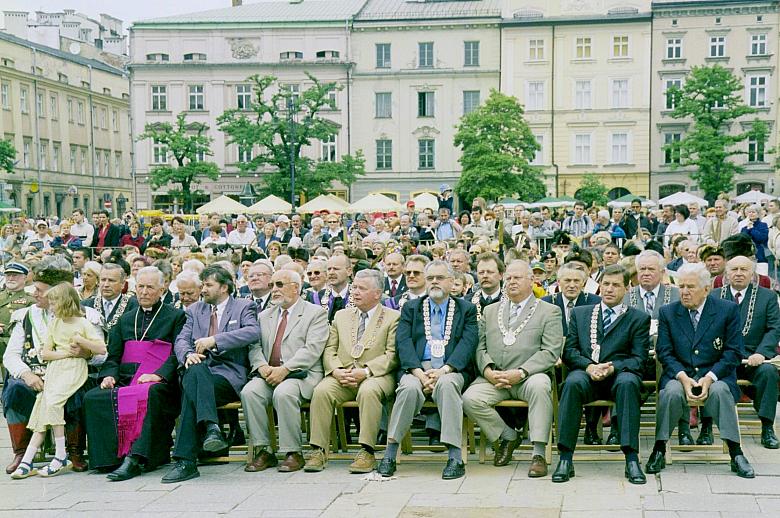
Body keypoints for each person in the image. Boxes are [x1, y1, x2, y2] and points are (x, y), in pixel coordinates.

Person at [646, 263, 754, 479]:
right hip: (680, 373)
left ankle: (736, 452)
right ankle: (659, 448)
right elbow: (664, 352)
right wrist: (683, 377)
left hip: (716, 374)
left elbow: (733, 352)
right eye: (681, 286)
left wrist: (709, 377)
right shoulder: (668, 312)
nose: (684, 292)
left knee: (721, 392)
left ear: (706, 289)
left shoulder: (727, 310)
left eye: (690, 287)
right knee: (671, 392)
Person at [84, 266, 187, 480]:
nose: (144, 292)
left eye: (150, 287)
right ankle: (109, 459)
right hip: (126, 379)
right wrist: (109, 376)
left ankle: (135, 458)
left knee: (150, 394)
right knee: (93, 397)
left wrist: (159, 375)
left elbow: (178, 353)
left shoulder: (176, 316)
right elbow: (113, 356)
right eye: (140, 287)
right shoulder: (125, 319)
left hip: (160, 380)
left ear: (162, 288)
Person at [378, 260, 477, 480]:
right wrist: (419, 373)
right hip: (416, 370)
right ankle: (390, 454)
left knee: (448, 385)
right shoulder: (411, 308)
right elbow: (403, 343)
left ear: (452, 282)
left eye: (439, 278)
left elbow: (468, 344)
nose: (434, 282)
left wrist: (444, 370)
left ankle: (454, 457)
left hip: (451, 368)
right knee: (408, 389)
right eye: (430, 278)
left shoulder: (466, 309)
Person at [463, 260, 562, 477]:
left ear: (532, 280)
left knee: (540, 388)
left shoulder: (549, 311)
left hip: (529, 376)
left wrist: (521, 372)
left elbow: (550, 352)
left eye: (517, 277)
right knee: (469, 398)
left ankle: (538, 454)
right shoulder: (490, 311)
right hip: (495, 377)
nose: (511, 282)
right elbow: (479, 346)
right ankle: (507, 436)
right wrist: (488, 371)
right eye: (508, 278)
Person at [162, 265, 260, 483]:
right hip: (199, 369)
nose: (203, 289)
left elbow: (253, 331)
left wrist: (216, 340)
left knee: (191, 389)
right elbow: (181, 340)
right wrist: (187, 354)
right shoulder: (195, 310)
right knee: (195, 371)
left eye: (208, 285)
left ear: (224, 287)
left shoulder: (244, 306)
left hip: (227, 375)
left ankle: (187, 460)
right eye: (203, 284)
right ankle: (211, 429)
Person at [553, 265, 649, 484]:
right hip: (588, 373)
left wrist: (613, 366)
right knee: (572, 382)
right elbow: (570, 351)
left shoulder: (638, 318)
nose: (609, 289)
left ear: (627, 288)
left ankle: (631, 458)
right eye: (606, 284)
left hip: (619, 374)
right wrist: (588, 366)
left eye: (616, 285)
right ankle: (565, 458)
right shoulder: (581, 314)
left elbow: (639, 359)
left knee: (628, 383)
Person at [304, 269, 400, 473]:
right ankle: (318, 449)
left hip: (376, 376)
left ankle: (366, 451)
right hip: (343, 374)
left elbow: (392, 355)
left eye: (362, 288)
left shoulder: (393, 317)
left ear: (377, 293)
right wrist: (336, 370)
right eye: (354, 287)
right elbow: (329, 349)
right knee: (321, 391)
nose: (355, 292)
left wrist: (366, 372)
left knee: (368, 391)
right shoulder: (341, 316)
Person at [10, 282, 106, 479]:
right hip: (56, 369)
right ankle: (27, 458)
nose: (50, 307)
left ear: (64, 302)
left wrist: (81, 344)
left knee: (53, 404)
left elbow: (101, 348)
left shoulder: (83, 323)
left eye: (53, 303)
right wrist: (65, 354)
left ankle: (62, 454)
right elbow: (46, 354)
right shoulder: (54, 323)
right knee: (42, 407)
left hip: (74, 371)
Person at [241, 270, 328, 473]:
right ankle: (264, 450)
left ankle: (292, 452)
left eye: (279, 284)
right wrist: (262, 367)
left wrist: (285, 369)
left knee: (284, 392)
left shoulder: (315, 313)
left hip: (301, 373)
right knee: (250, 392)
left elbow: (313, 349)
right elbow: (254, 347)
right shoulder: (264, 316)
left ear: (296, 287)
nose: (274, 290)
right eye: (272, 285)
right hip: (268, 372)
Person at [717, 256, 780, 449]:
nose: (738, 273)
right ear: (726, 274)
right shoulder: (713, 296)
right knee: (705, 374)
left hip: (753, 358)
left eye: (743, 270)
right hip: (721, 359)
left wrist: (762, 353)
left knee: (769, 374)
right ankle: (705, 429)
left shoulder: (767, 296)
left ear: (752, 274)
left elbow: (774, 328)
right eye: (734, 269)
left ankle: (767, 426)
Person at [81, 263, 138, 338]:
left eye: (111, 280)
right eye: (103, 280)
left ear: (123, 284)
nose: (106, 284)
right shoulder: (85, 305)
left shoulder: (134, 306)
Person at [0, 263, 35, 362]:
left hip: (12, 343)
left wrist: (3, 330)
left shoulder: (30, 300)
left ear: (24, 278)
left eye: (15, 275)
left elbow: (30, 327)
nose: (10, 278)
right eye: (8, 275)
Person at [307, 254, 352, 323]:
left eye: (336, 269)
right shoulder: (316, 298)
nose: (331, 273)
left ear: (349, 271)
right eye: (329, 269)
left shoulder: (358, 295)